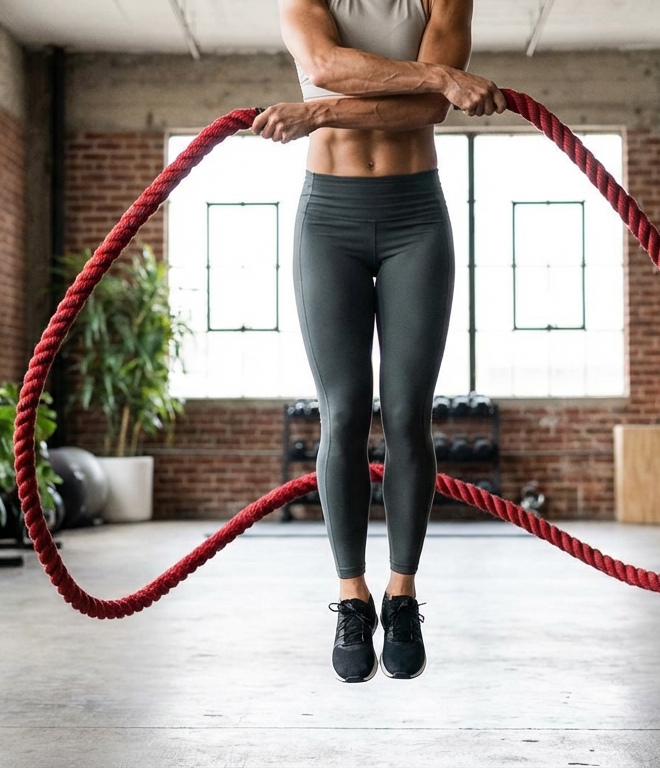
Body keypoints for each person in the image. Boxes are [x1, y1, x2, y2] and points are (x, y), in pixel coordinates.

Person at [251, 0, 506, 682]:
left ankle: (400, 593)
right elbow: (325, 66)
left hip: (415, 218)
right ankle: (350, 596)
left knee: (406, 414)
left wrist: (321, 110)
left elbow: (430, 109)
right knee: (340, 411)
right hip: (327, 218)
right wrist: (428, 77)